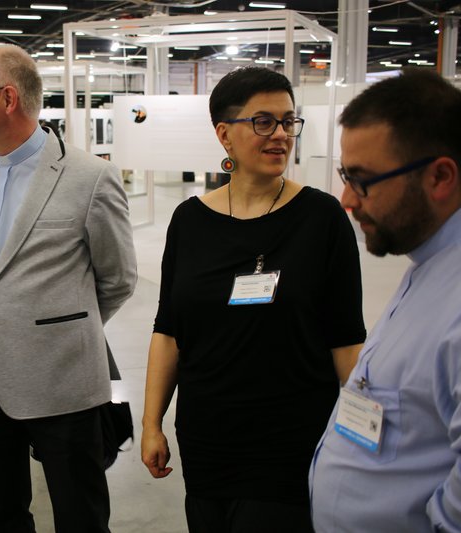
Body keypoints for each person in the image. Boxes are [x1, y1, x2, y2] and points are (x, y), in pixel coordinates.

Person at [141, 67, 366, 533]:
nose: (281, 134)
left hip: (290, 440)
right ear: (224, 134)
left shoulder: (321, 218)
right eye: (263, 121)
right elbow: (169, 331)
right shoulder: (189, 221)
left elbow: (346, 340)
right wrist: (151, 423)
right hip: (207, 438)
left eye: (288, 121)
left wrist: (365, 437)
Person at [0, 44, 137, 533]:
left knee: (81, 518)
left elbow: (117, 279)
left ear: (8, 99)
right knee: (0, 516)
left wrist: (58, 327)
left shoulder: (90, 178)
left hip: (63, 381)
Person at [310, 69, 461, 532]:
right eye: (346, 176)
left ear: (440, 177)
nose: (347, 199)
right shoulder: (432, 259)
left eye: (362, 180)